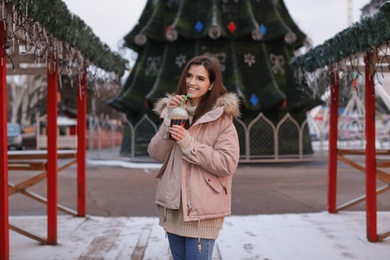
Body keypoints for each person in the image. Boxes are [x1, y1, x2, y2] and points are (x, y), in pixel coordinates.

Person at [147, 55, 240, 260]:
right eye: (189, 76)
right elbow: (156, 153)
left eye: (200, 78)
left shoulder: (221, 119)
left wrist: (190, 145)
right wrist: (169, 119)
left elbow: (227, 163)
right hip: (173, 207)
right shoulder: (176, 111)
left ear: (211, 84)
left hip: (202, 211)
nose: (191, 82)